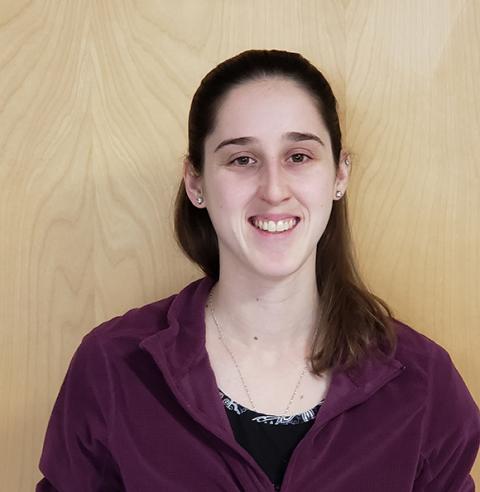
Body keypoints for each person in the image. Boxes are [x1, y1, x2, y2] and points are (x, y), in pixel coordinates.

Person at [36, 50, 479, 491]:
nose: (273, 190)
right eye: (242, 159)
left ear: (340, 174)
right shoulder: (114, 366)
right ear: (196, 183)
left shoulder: (424, 383)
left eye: (299, 156)